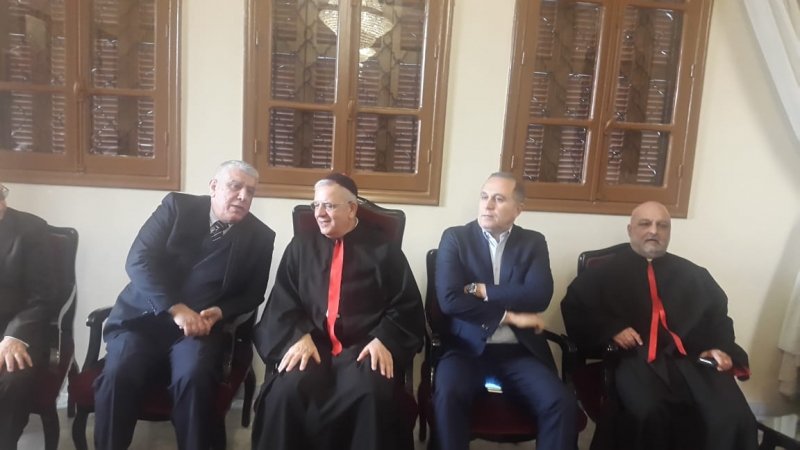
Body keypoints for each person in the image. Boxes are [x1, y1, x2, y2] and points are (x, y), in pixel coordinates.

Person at [93, 160, 276, 450]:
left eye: (250, 191)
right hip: (142, 322)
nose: (243, 196)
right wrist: (176, 309)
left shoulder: (261, 237)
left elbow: (253, 294)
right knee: (118, 374)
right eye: (235, 186)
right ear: (214, 186)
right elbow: (138, 261)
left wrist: (221, 312)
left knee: (194, 377)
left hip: (199, 331)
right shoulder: (177, 207)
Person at [561, 201, 757, 450]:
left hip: (693, 360)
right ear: (630, 230)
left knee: (732, 415)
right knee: (649, 412)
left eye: (662, 225)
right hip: (635, 359)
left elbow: (718, 317)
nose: (654, 231)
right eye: (645, 224)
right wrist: (612, 329)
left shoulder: (694, 275)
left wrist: (720, 347)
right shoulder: (603, 274)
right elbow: (576, 309)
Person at [251, 173, 424, 450]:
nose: (319, 213)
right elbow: (283, 301)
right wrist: (297, 336)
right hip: (312, 344)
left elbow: (406, 305)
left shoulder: (385, 250)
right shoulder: (299, 247)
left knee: (373, 395)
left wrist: (384, 339)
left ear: (351, 208)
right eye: (315, 205)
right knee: (286, 392)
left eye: (329, 206)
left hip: (364, 348)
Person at [433, 172, 577, 450]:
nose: (487, 205)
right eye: (484, 197)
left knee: (560, 402)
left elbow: (539, 296)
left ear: (518, 209)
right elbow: (450, 299)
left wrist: (482, 289)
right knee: (448, 395)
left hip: (518, 350)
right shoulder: (456, 238)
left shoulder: (533, 242)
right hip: (465, 349)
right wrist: (510, 316)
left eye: (499, 199)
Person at [0, 183, 57, 449]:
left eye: (1, 195)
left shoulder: (31, 229)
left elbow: (44, 296)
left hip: (20, 329)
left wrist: (13, 337)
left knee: (13, 378)